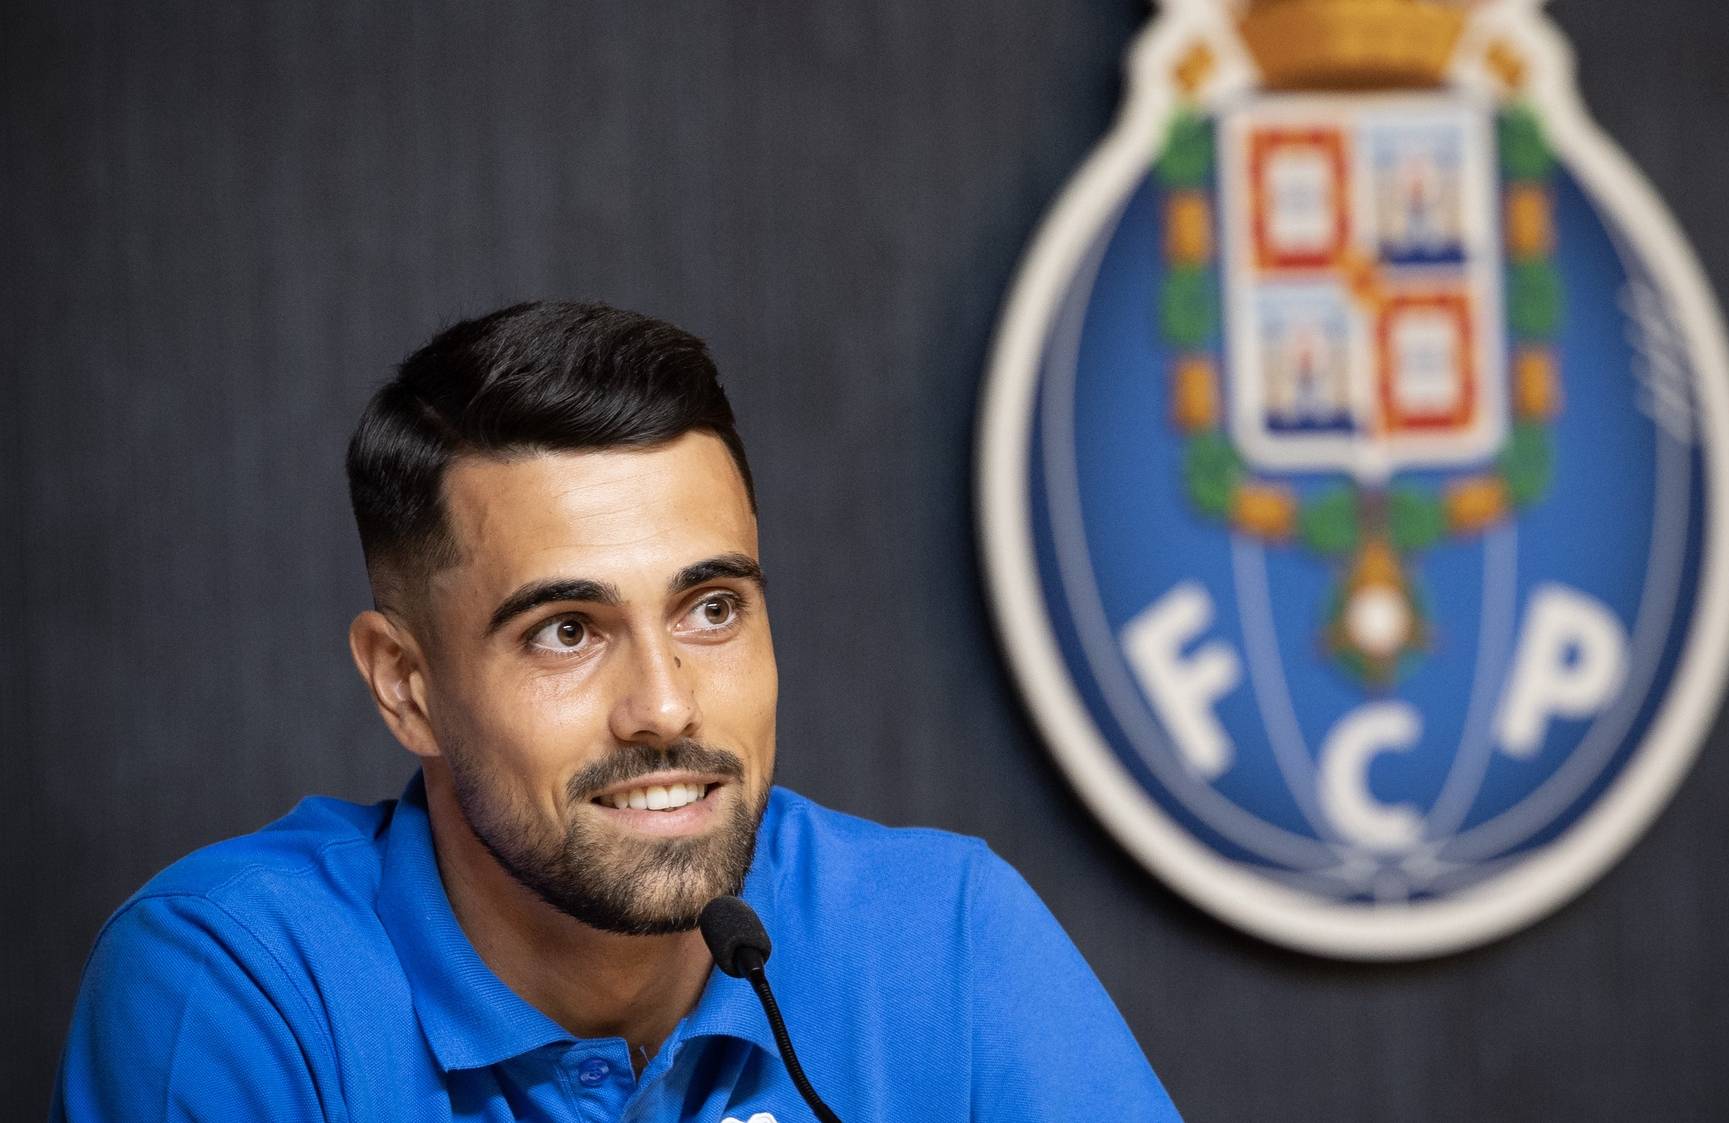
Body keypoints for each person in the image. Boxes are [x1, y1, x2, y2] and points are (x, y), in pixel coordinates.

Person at [51, 302, 1179, 1121]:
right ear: (407, 685)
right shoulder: (241, 981)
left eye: (710, 607)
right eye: (566, 631)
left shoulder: (941, 937)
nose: (663, 704)